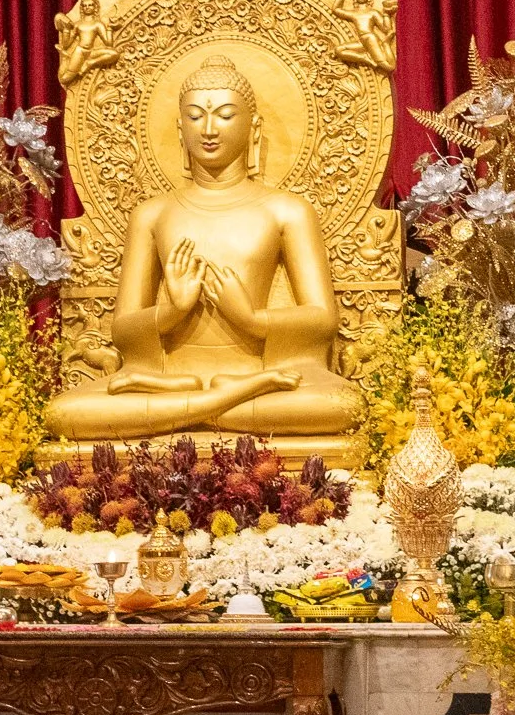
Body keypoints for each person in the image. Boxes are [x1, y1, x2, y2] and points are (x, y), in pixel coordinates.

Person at [43, 55, 362, 439]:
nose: (208, 129)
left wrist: (253, 320)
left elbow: (322, 319)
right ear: (180, 129)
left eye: (225, 114)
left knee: (342, 406)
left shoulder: (287, 211)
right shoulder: (153, 214)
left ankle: (188, 407)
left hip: (265, 371)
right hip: (171, 376)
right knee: (64, 413)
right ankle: (220, 400)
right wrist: (171, 311)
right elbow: (124, 329)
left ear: (253, 127)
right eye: (195, 117)